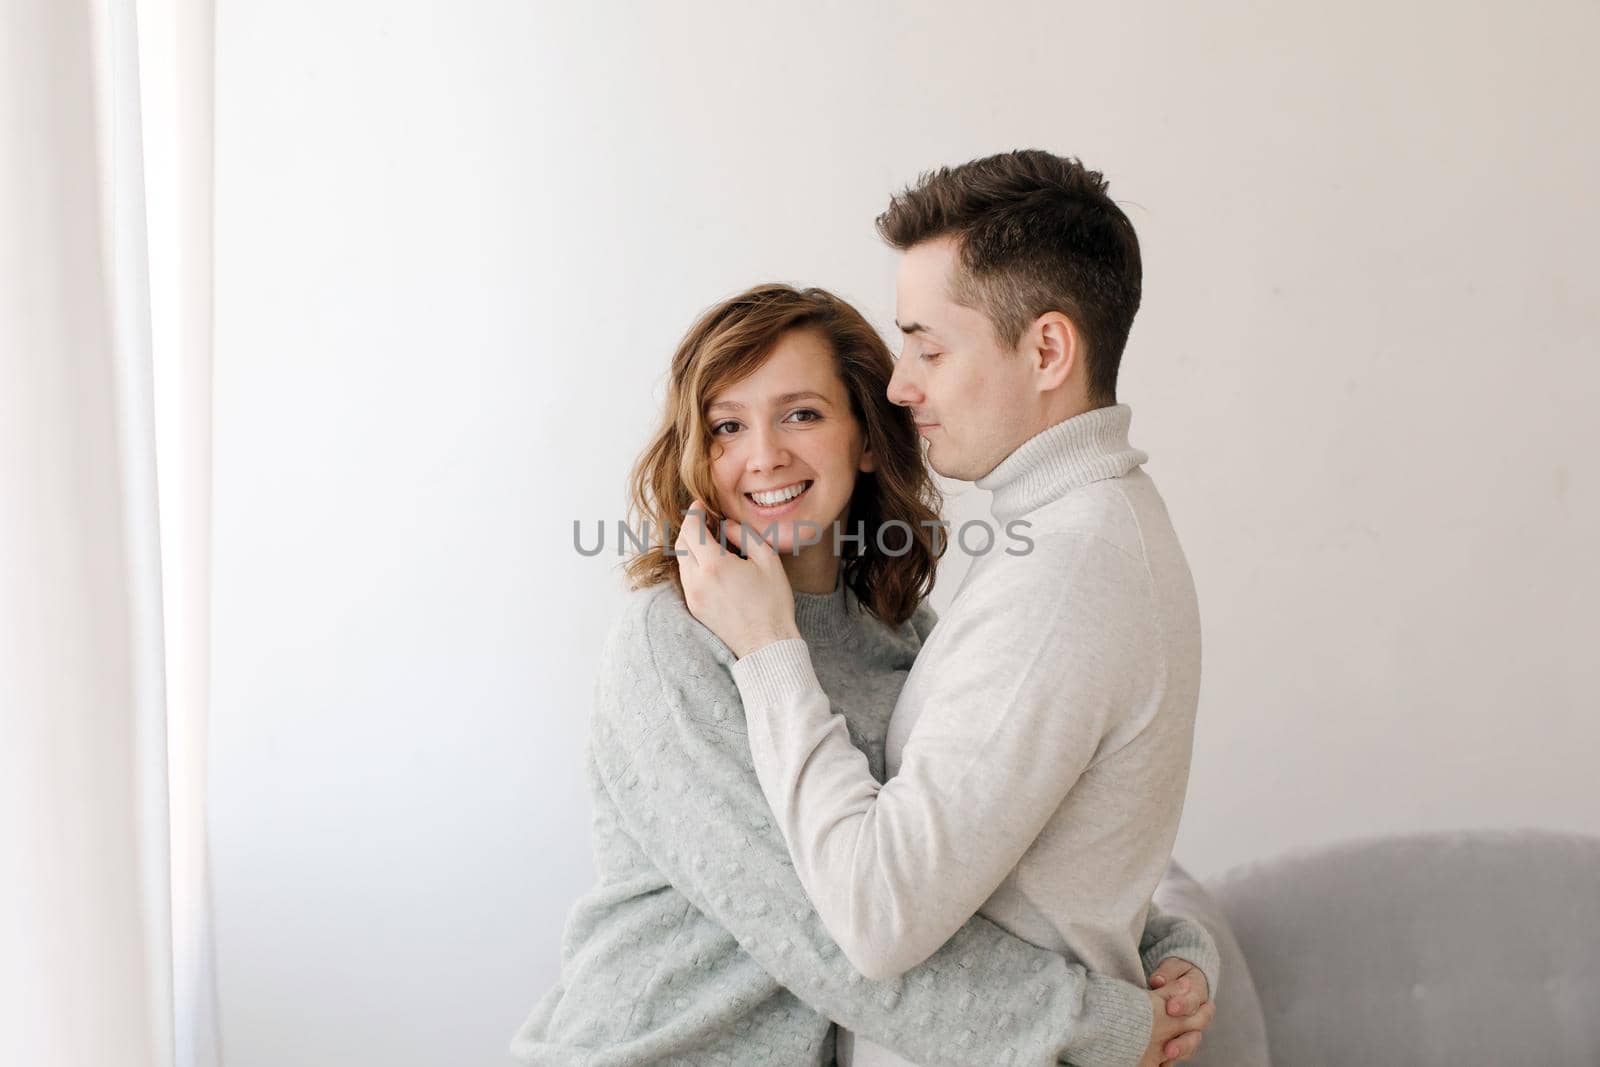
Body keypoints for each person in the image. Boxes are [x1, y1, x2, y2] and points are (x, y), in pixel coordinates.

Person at [511, 283, 1217, 1066]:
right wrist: (1100, 1027)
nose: (764, 454)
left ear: (869, 439)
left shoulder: (902, 633)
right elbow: (822, 933)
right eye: (726, 426)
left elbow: (969, 847)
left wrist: (1169, 949)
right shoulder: (670, 641)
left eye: (802, 414)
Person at [678, 151, 1211, 1067]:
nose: (901, 385)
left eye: (929, 347)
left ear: (1047, 350)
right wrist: (1156, 948)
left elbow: (875, 916)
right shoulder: (1067, 543)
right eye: (728, 423)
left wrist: (769, 649)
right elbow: (1024, 841)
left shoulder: (1065, 575)